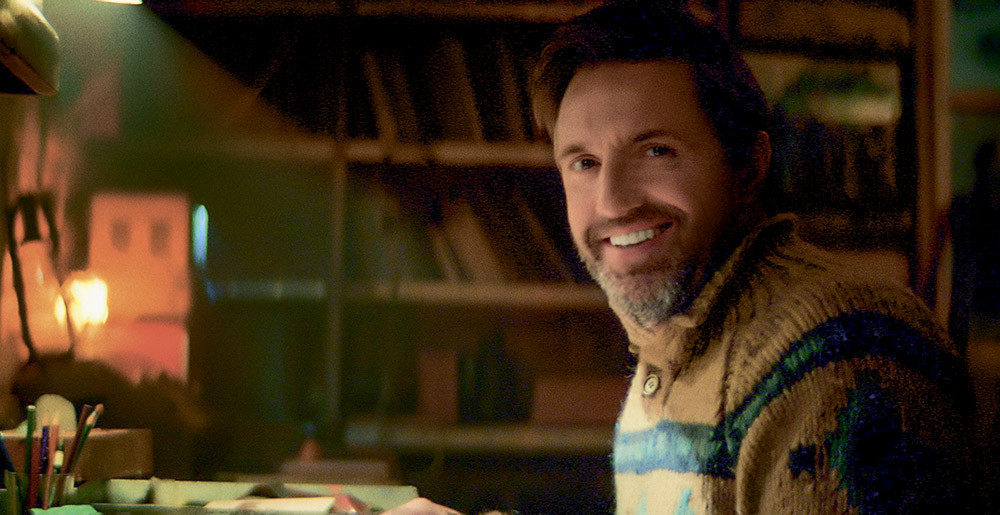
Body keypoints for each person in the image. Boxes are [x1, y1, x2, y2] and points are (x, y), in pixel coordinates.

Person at [389, 0, 975, 512]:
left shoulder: (846, 352)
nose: (612, 202)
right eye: (584, 163)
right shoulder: (677, 342)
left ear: (748, 166)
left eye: (656, 151)